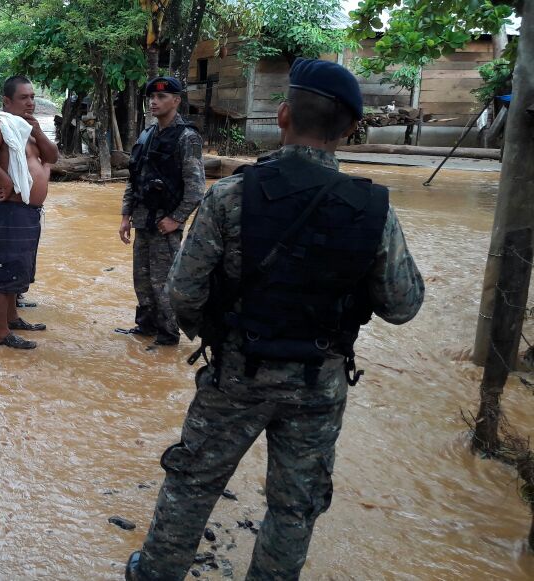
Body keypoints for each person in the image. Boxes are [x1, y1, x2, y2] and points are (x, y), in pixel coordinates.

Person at [125, 59, 425, 580]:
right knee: (295, 506)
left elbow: (182, 291)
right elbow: (402, 305)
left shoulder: (230, 196)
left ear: (283, 115)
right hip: (318, 381)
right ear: (352, 128)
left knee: (193, 481)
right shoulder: (373, 209)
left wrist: (215, 335)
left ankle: (155, 572)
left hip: (237, 371)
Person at [0, 75, 59, 349]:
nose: (30, 102)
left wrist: (38, 131)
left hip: (28, 211)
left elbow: (52, 157)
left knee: (17, 269)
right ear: (7, 101)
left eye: (32, 97)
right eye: (23, 97)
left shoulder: (26, 128)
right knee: (5, 270)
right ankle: (1, 334)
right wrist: (5, 182)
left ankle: (12, 318)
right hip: (11, 210)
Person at [118, 77, 206, 347]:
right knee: (142, 279)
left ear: (176, 101)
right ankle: (146, 326)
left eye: (161, 97)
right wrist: (125, 216)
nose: (154, 102)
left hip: (165, 223)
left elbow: (196, 188)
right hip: (143, 220)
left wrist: (177, 219)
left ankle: (168, 335)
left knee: (163, 282)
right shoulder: (147, 135)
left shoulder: (187, 138)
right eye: (152, 98)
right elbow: (134, 179)